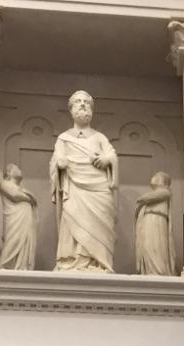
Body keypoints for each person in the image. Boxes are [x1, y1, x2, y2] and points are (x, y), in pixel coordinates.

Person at [50, 90, 117, 273]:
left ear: (92, 111)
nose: (82, 104)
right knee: (73, 218)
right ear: (71, 110)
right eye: (78, 102)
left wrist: (107, 159)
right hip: (74, 186)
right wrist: (59, 163)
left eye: (86, 102)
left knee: (98, 224)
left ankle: (98, 263)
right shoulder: (63, 138)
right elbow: (57, 159)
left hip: (99, 189)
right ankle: (73, 259)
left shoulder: (100, 137)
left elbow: (112, 155)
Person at [133, 171, 175, 275]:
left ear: (165, 183)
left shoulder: (166, 192)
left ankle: (158, 271)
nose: (154, 177)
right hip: (148, 221)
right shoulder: (152, 198)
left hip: (157, 221)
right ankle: (148, 270)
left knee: (156, 246)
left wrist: (141, 200)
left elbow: (148, 197)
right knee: (147, 246)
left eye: (157, 176)